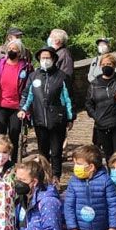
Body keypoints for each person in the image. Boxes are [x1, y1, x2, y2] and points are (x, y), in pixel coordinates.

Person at [19, 46, 75, 181]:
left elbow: (68, 98)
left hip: (57, 119)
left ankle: (56, 177)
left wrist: (70, 117)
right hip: (39, 119)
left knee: (56, 152)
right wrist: (23, 109)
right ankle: (43, 176)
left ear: (53, 59)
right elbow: (28, 95)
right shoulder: (33, 76)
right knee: (42, 151)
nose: (45, 60)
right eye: (42, 58)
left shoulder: (62, 77)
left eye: (47, 58)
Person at [0, 39, 31, 161]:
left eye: (15, 49)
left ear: (20, 52)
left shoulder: (26, 68)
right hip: (0, 106)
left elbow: (29, 89)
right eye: (9, 49)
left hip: (17, 108)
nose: (11, 51)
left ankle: (13, 163)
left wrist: (26, 109)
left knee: (14, 136)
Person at [86, 53, 116, 159]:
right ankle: (110, 175)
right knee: (108, 155)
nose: (106, 66)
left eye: (109, 64)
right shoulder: (94, 84)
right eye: (103, 64)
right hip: (101, 124)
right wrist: (96, 116)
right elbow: (89, 104)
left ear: (114, 65)